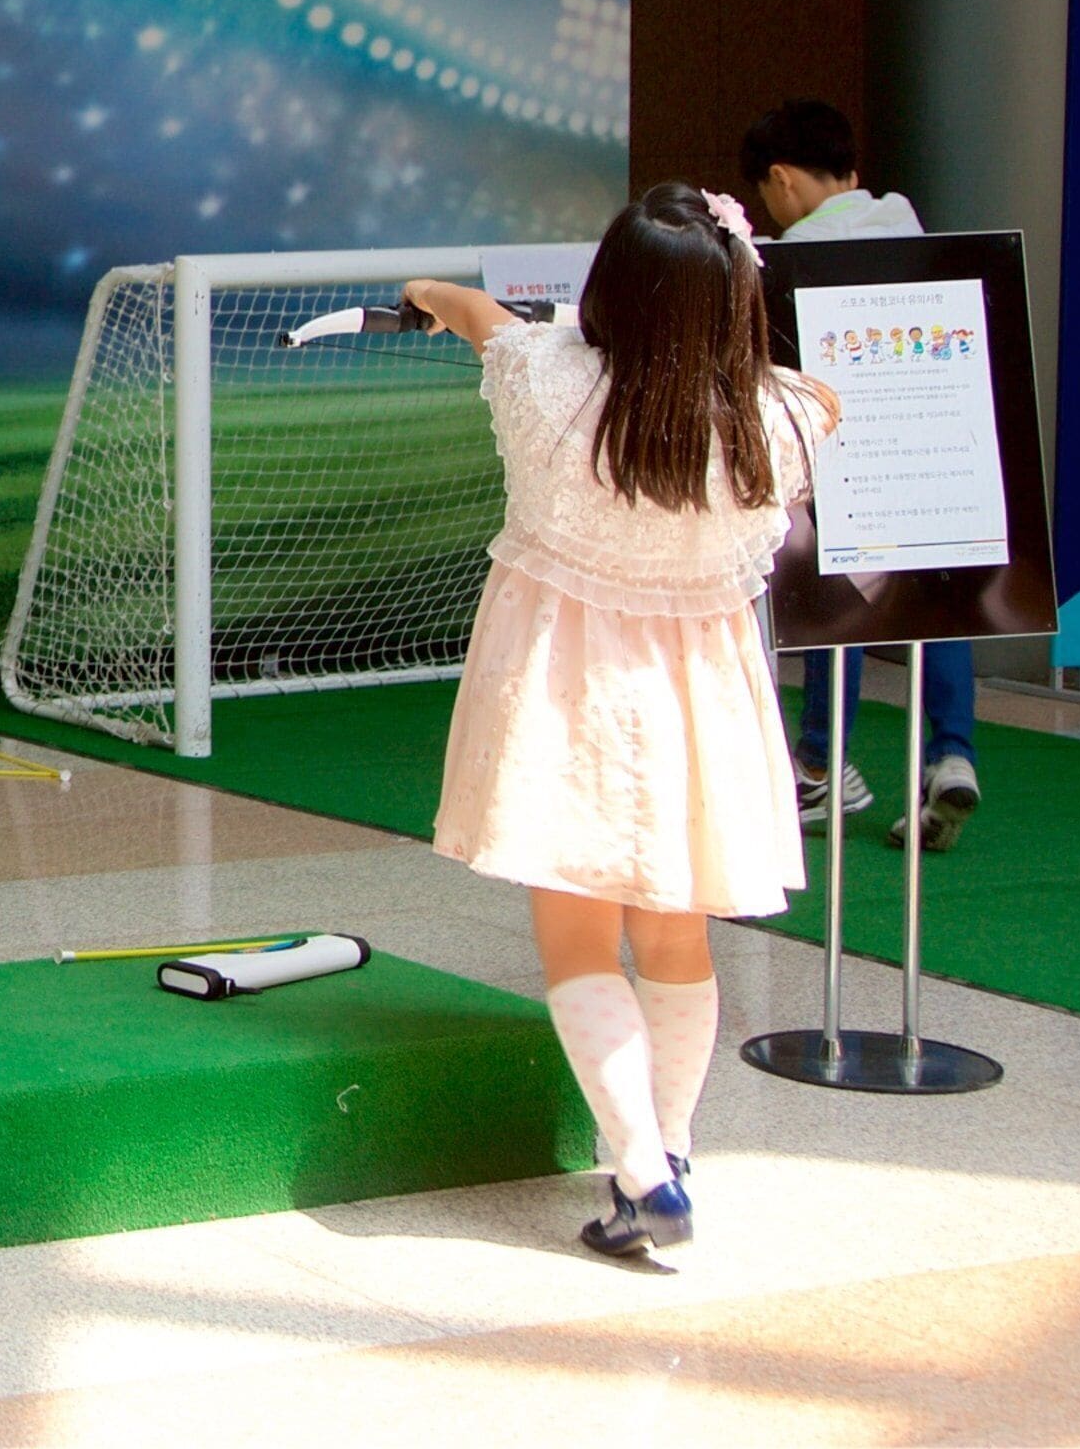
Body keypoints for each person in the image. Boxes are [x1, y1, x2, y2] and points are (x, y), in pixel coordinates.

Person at [402, 183, 834, 1262]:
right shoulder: (771, 423)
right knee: (677, 935)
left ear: (613, 291)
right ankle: (669, 1152)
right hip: (705, 705)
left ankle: (641, 1169)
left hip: (568, 693)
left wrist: (424, 293)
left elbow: (477, 315)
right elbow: (822, 397)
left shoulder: (549, 381)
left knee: (580, 936)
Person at [738, 98, 983, 848]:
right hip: (936, 448)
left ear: (782, 180)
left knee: (838, 607)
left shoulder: (792, 258)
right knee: (935, 607)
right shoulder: (911, 231)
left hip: (842, 461)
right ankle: (951, 754)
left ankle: (820, 764)